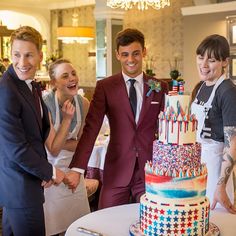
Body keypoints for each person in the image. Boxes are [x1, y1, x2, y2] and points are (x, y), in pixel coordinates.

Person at [65, 28, 168, 209]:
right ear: (117, 55)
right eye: (125, 54)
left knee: (152, 221)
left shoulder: (159, 87)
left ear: (144, 52)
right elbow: (91, 129)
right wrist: (77, 168)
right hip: (117, 168)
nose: (131, 60)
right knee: (106, 219)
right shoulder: (105, 87)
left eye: (136, 53)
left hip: (150, 169)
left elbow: (168, 130)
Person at [0, 26, 65, 236]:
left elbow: (38, 132)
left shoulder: (30, 86)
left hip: (22, 185)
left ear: (40, 55)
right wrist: (50, 172)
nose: (22, 62)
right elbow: (16, 149)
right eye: (17, 55)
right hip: (20, 187)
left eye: (29, 55)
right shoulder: (6, 90)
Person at [43, 59, 90, 235]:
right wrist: (67, 119)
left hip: (74, 171)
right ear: (54, 83)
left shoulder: (83, 103)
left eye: (73, 73)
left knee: (76, 226)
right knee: (52, 227)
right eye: (65, 76)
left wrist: (63, 143)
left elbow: (85, 143)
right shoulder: (44, 104)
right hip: (51, 173)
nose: (72, 78)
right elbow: (53, 150)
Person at [191, 34, 236, 214]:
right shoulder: (202, 86)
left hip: (216, 169)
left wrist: (221, 186)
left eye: (211, 60)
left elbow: (232, 143)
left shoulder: (228, 92)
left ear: (225, 62)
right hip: (198, 169)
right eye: (201, 58)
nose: (203, 65)